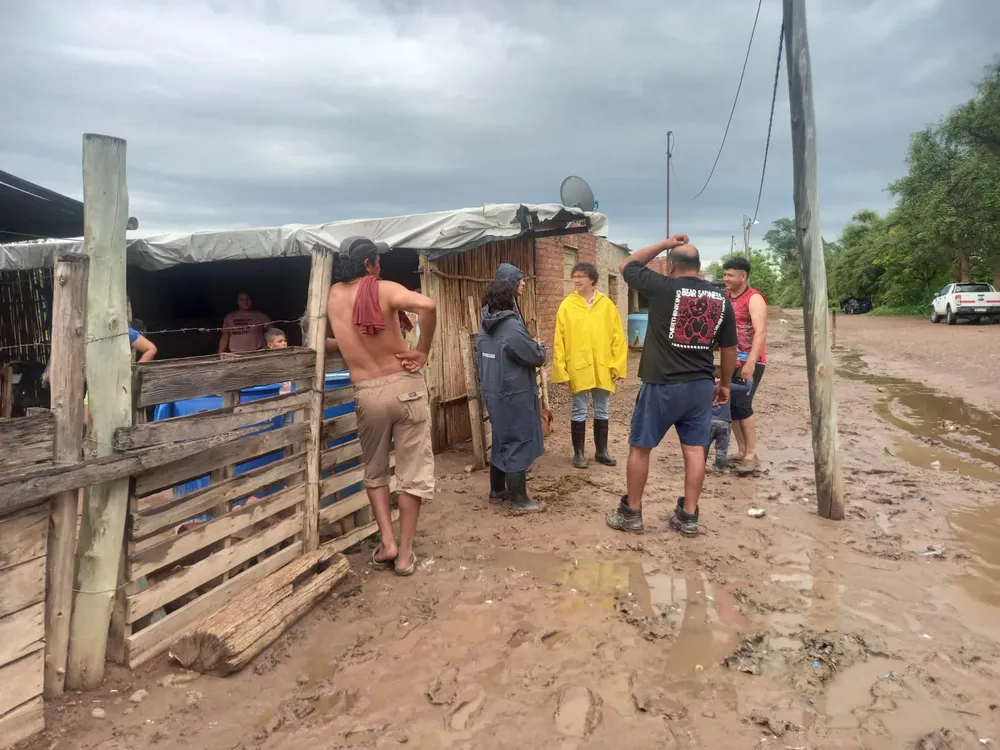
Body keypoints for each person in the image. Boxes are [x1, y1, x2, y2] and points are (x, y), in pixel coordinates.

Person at [606, 234, 737, 538]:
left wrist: (664, 244)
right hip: (700, 385)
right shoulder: (721, 299)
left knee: (641, 447)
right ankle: (688, 516)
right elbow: (729, 348)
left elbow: (627, 265)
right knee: (694, 450)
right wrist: (726, 385)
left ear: (672, 266)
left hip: (661, 385)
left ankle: (632, 514)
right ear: (699, 266)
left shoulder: (662, 286)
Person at [327, 236, 437, 576]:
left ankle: (387, 543)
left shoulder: (332, 297)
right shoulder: (384, 289)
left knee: (375, 471)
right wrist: (422, 350)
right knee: (411, 471)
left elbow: (329, 339)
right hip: (404, 386)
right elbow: (428, 306)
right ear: (368, 264)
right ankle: (405, 555)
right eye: (377, 260)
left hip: (367, 392)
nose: (381, 265)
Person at [478, 276, 548, 513]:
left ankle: (497, 490)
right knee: (518, 440)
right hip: (514, 393)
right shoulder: (511, 327)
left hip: (493, 392)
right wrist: (541, 348)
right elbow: (534, 356)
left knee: (501, 438)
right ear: (508, 299)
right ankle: (519, 500)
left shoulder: (485, 325)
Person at [552, 261, 627, 469]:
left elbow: (618, 337)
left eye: (581, 276)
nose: (576, 280)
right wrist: (561, 370)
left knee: (602, 409)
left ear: (592, 279)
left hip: (603, 365)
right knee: (579, 409)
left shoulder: (606, 304)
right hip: (578, 365)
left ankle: (602, 452)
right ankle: (579, 454)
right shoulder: (567, 305)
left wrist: (617, 365)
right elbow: (559, 340)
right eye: (574, 276)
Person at [722, 256, 769, 474]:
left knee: (743, 405)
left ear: (743, 276)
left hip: (750, 361)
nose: (726, 278)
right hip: (729, 359)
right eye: (725, 274)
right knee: (729, 405)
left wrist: (750, 362)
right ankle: (741, 451)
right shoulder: (725, 297)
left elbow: (760, 332)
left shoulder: (754, 298)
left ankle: (751, 455)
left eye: (730, 275)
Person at [707, 367, 752, 472]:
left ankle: (700, 464)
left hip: (709, 422)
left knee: (704, 446)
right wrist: (749, 379)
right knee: (722, 448)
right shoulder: (727, 386)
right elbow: (746, 389)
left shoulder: (707, 386)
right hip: (725, 422)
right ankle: (720, 467)